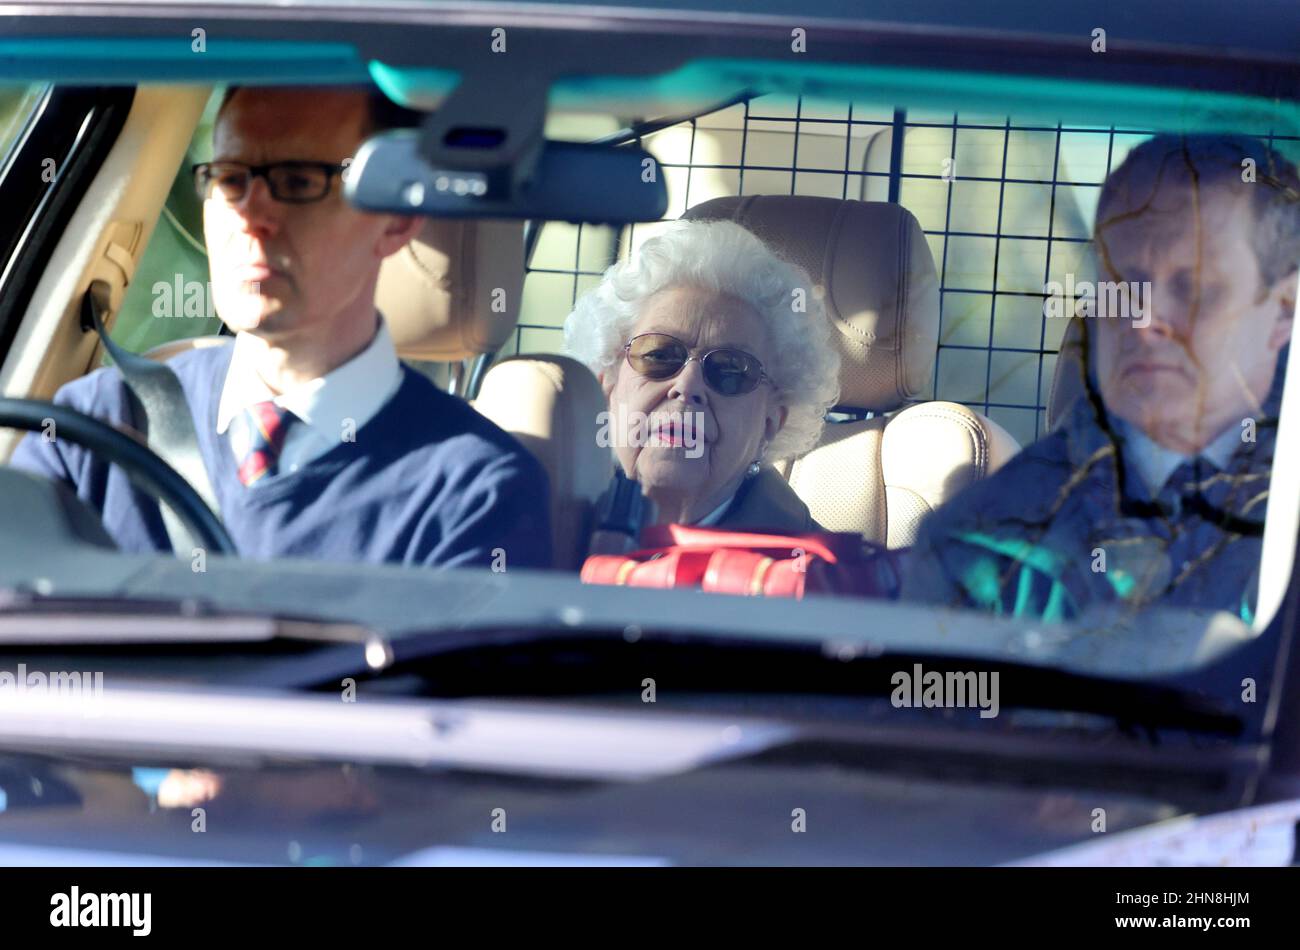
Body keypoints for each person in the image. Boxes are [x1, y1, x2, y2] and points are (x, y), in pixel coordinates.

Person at [10, 86, 551, 569]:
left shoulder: (475, 490)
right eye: (229, 178)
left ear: (397, 220)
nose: (250, 215)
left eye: (297, 181)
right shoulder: (90, 430)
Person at [901, 134, 1298, 623]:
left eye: (1193, 287)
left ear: (1282, 311)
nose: (1144, 317)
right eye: (1124, 284)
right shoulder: (977, 548)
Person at [564, 218, 840, 533]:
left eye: (730, 370)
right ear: (607, 388)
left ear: (770, 423)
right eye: (659, 354)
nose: (687, 385)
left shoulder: (819, 574)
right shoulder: (539, 537)